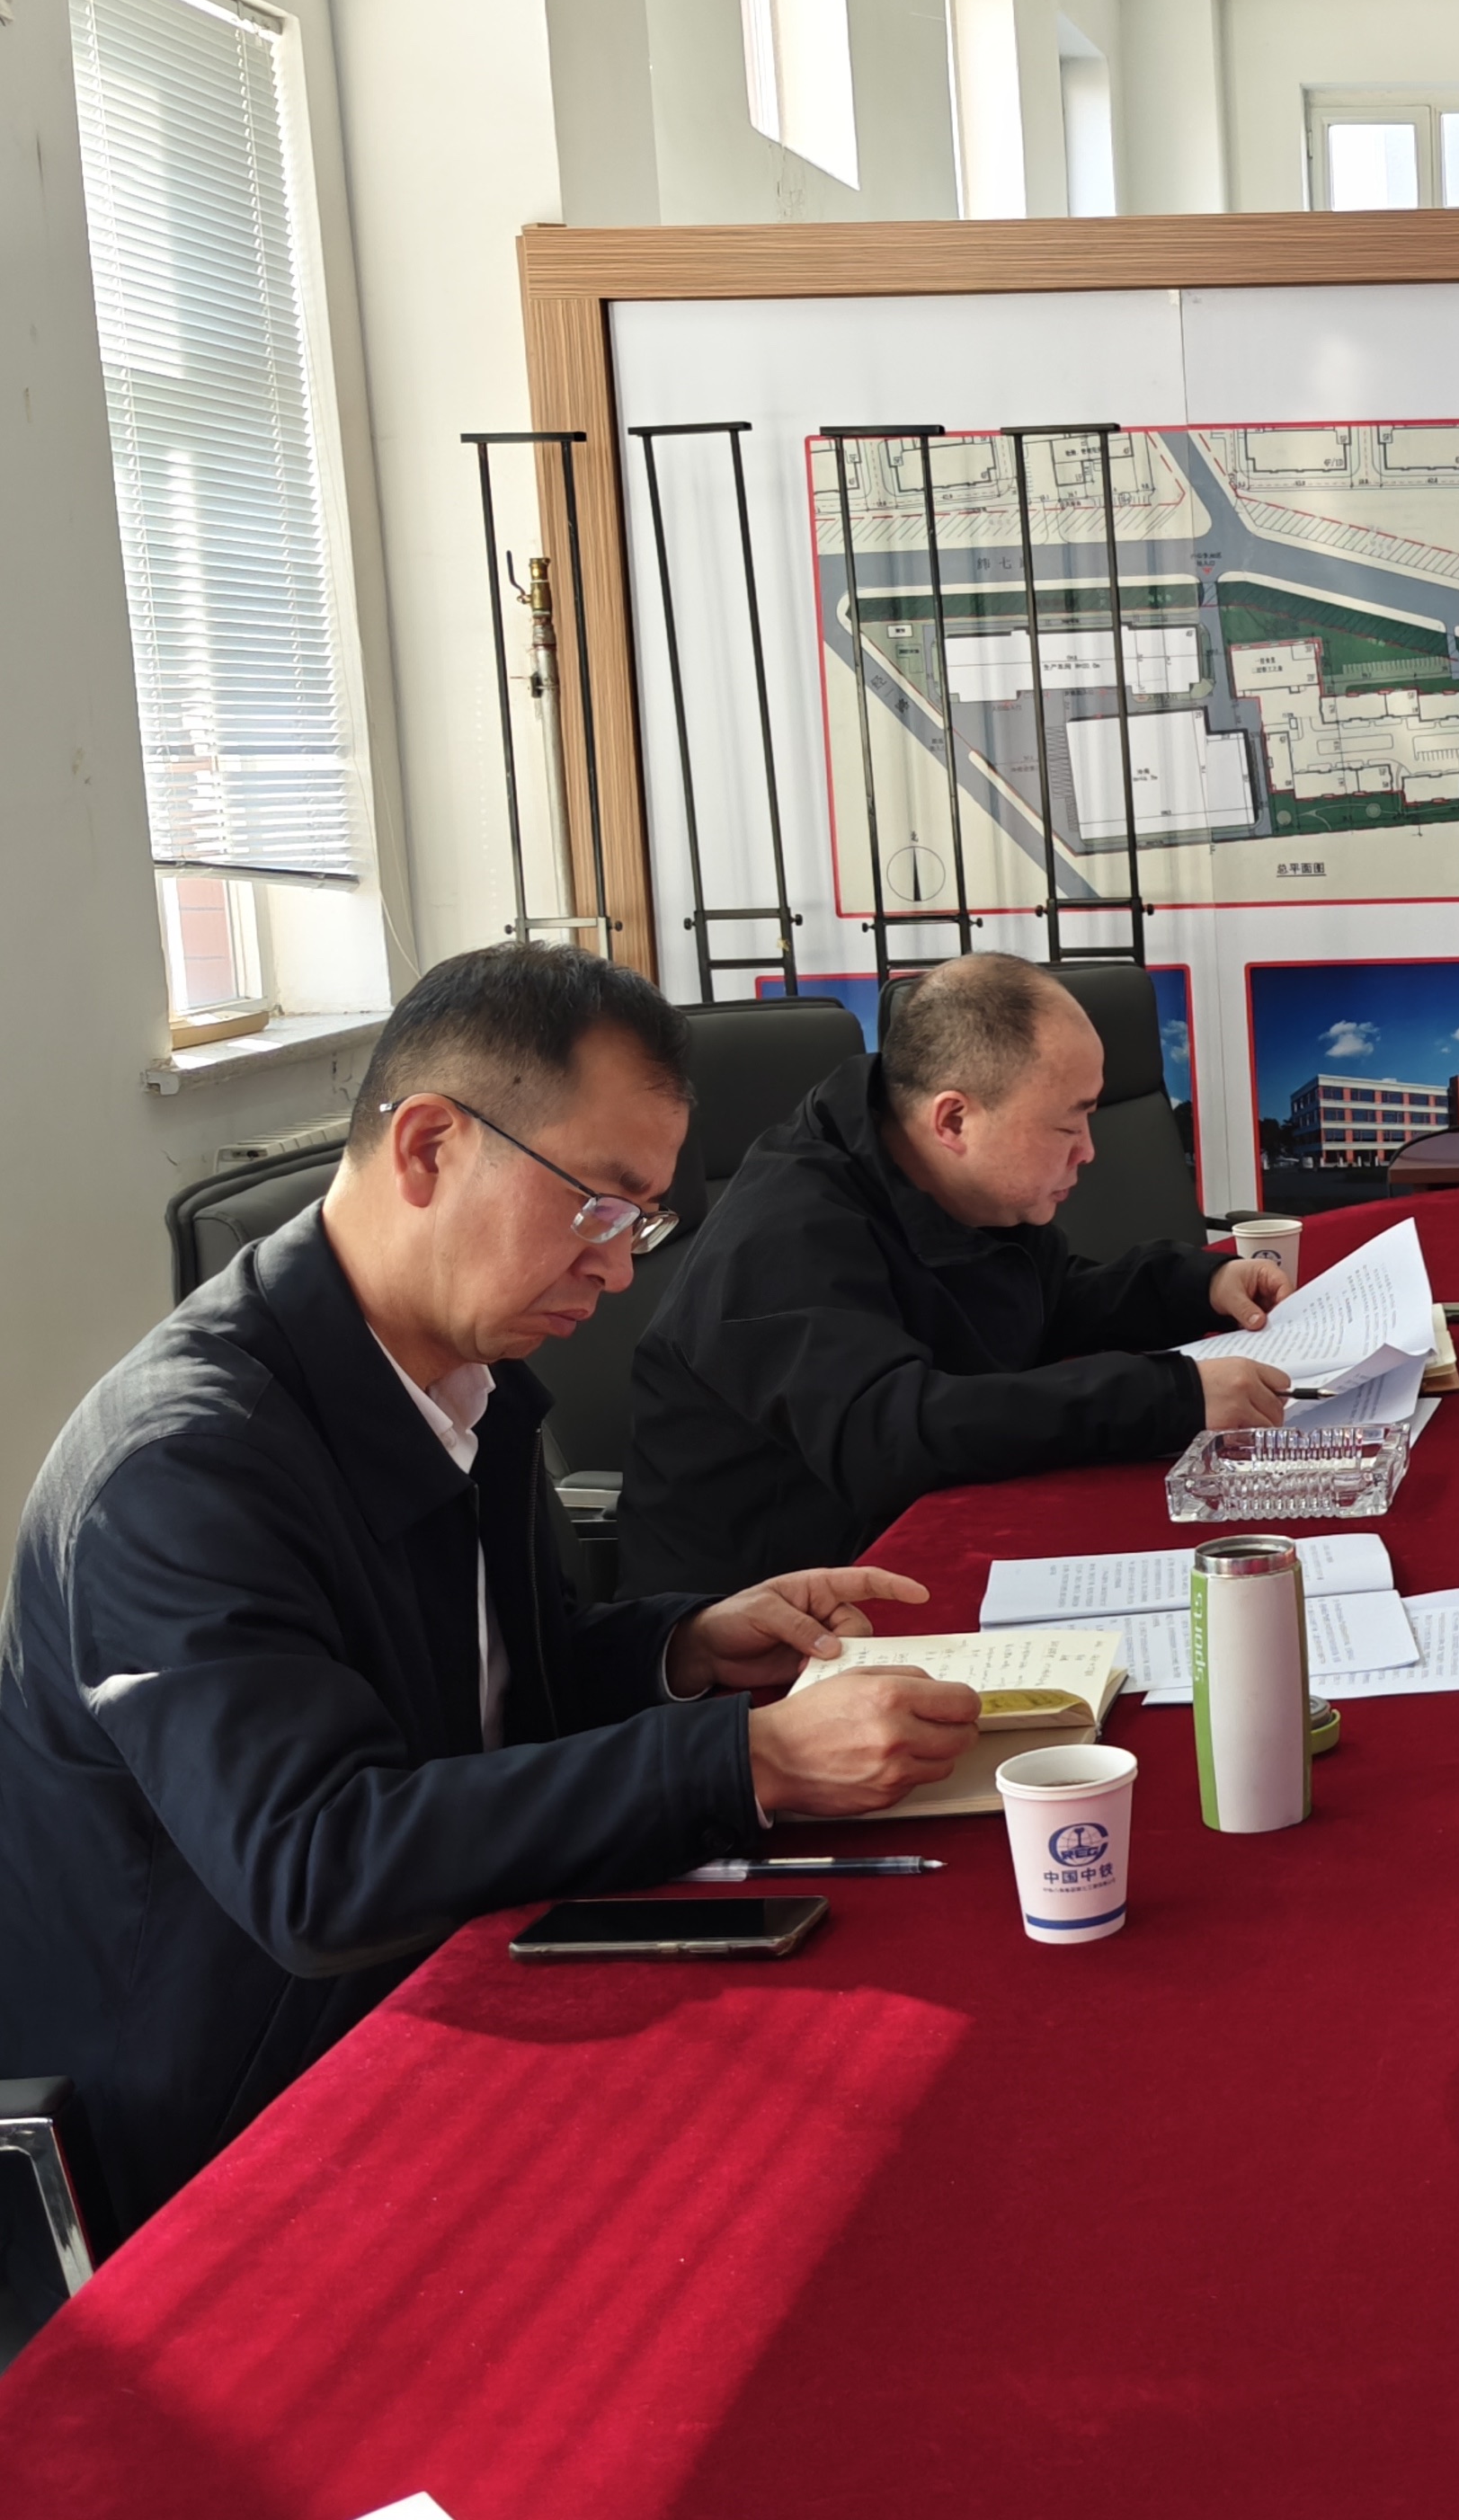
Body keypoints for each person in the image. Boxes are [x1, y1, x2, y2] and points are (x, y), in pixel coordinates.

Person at [0, 947, 981, 2243]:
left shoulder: (462, 1377)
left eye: (642, 1222)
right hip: (236, 2130)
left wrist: (683, 1649)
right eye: (598, 1206)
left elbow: (480, 1695)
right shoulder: (182, 1468)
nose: (619, 1269)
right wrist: (748, 1759)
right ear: (428, 1147)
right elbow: (318, 1867)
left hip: (451, 1977)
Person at [623, 955, 1293, 1601]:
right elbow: (892, 1437)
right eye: (1069, 1123)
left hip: (912, 1544)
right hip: (769, 1617)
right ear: (954, 1120)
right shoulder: (783, 1234)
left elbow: (1044, 1301)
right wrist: (1170, 1396)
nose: (1089, 1151)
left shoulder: (935, 1175)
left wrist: (1195, 1287)